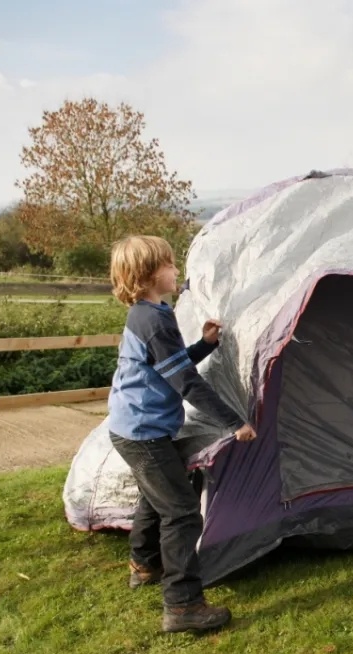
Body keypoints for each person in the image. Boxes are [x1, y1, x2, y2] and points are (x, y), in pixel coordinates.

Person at [106, 234, 257, 633]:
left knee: (157, 498)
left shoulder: (150, 313)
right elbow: (185, 383)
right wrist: (234, 422)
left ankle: (143, 563)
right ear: (149, 274)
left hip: (134, 428)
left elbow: (169, 365)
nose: (177, 271)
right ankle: (183, 605)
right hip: (143, 433)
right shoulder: (154, 319)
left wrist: (204, 346)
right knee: (181, 511)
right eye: (170, 264)